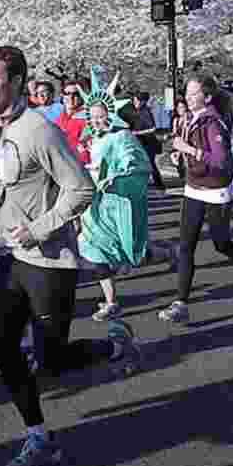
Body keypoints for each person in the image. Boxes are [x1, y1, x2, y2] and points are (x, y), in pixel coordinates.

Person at [0, 45, 140, 466]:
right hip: (11, 259)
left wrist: (40, 227)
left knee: (51, 362)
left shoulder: (39, 130)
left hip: (50, 262)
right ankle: (38, 437)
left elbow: (81, 189)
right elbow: (5, 187)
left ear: (15, 82)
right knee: (3, 347)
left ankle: (115, 345)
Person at [159, 75, 233, 324]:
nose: (187, 96)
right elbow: (195, 154)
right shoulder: (191, 120)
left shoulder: (213, 123)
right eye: (187, 91)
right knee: (185, 246)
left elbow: (220, 161)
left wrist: (188, 151)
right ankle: (181, 302)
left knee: (221, 244)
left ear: (206, 97)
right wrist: (180, 156)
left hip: (216, 191)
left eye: (194, 92)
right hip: (193, 188)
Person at [75, 69, 175, 322]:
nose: (96, 121)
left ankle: (166, 253)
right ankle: (111, 301)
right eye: (92, 116)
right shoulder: (92, 139)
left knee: (133, 254)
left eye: (101, 116)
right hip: (95, 205)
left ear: (111, 115)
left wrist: (118, 174)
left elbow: (136, 162)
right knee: (93, 249)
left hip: (117, 202)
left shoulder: (122, 136)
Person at [130, 91, 166, 190]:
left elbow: (152, 129)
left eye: (136, 101)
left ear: (142, 101)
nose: (134, 103)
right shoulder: (139, 111)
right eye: (134, 100)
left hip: (149, 143)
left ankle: (159, 184)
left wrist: (137, 133)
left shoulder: (145, 112)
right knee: (144, 163)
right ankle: (150, 183)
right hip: (142, 142)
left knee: (149, 163)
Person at [55, 81, 90, 165]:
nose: (71, 97)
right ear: (62, 96)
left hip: (81, 165)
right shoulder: (58, 120)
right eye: (67, 93)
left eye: (76, 94)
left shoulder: (88, 118)